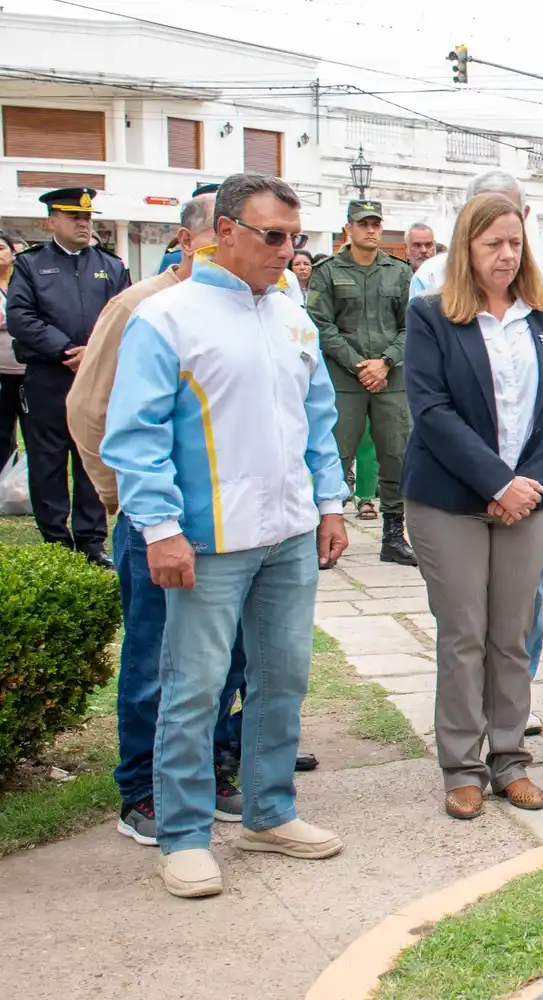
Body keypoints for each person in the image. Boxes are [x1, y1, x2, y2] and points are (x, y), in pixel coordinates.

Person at [101, 172, 348, 898]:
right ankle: (181, 832)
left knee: (282, 679)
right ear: (226, 232)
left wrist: (329, 504)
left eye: (294, 238)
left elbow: (318, 421)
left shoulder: (292, 315)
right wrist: (161, 530)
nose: (287, 251)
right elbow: (134, 436)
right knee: (194, 685)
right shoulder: (167, 317)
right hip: (206, 541)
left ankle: (270, 811)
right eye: (273, 236)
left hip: (289, 534)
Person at [66, 191, 248, 846]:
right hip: (157, 521)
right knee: (153, 661)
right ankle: (141, 790)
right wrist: (126, 503)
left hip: (233, 525)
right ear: (189, 240)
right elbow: (89, 410)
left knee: (229, 658)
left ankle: (215, 766)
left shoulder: (250, 308)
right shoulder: (139, 307)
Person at [402, 193, 543, 819]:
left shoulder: (542, 316)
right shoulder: (431, 317)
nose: (506, 255)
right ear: (465, 249)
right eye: (491, 244)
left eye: (514, 243)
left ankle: (509, 759)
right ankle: (461, 766)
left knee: (513, 634)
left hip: (524, 503)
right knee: (464, 635)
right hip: (450, 501)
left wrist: (527, 481)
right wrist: (497, 483)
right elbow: (432, 411)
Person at [5, 187, 129, 566]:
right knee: (48, 459)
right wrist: (63, 350)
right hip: (48, 377)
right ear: (51, 221)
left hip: (95, 377)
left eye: (88, 217)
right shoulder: (30, 265)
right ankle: (56, 539)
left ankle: (92, 541)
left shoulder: (111, 265)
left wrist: (92, 353)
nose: (83, 223)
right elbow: (20, 317)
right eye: (74, 217)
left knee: (91, 455)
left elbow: (124, 315)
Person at [306, 200, 416, 568]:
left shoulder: (398, 273)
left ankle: (393, 535)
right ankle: (327, 530)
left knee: (396, 455)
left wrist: (384, 362)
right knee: (337, 453)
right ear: (348, 230)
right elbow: (321, 324)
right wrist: (358, 364)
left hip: (391, 377)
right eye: (362, 223)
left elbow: (410, 325)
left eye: (375, 223)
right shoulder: (328, 272)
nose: (370, 229)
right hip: (345, 378)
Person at [411, 171, 543, 296]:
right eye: (486, 214)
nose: (498, 222)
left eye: (508, 211)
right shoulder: (431, 276)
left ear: (525, 214)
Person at [0, 237, 21, 469]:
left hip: (25, 368)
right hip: (1, 370)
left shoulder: (21, 282)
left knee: (33, 429)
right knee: (2, 430)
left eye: (1, 248)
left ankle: (17, 483)